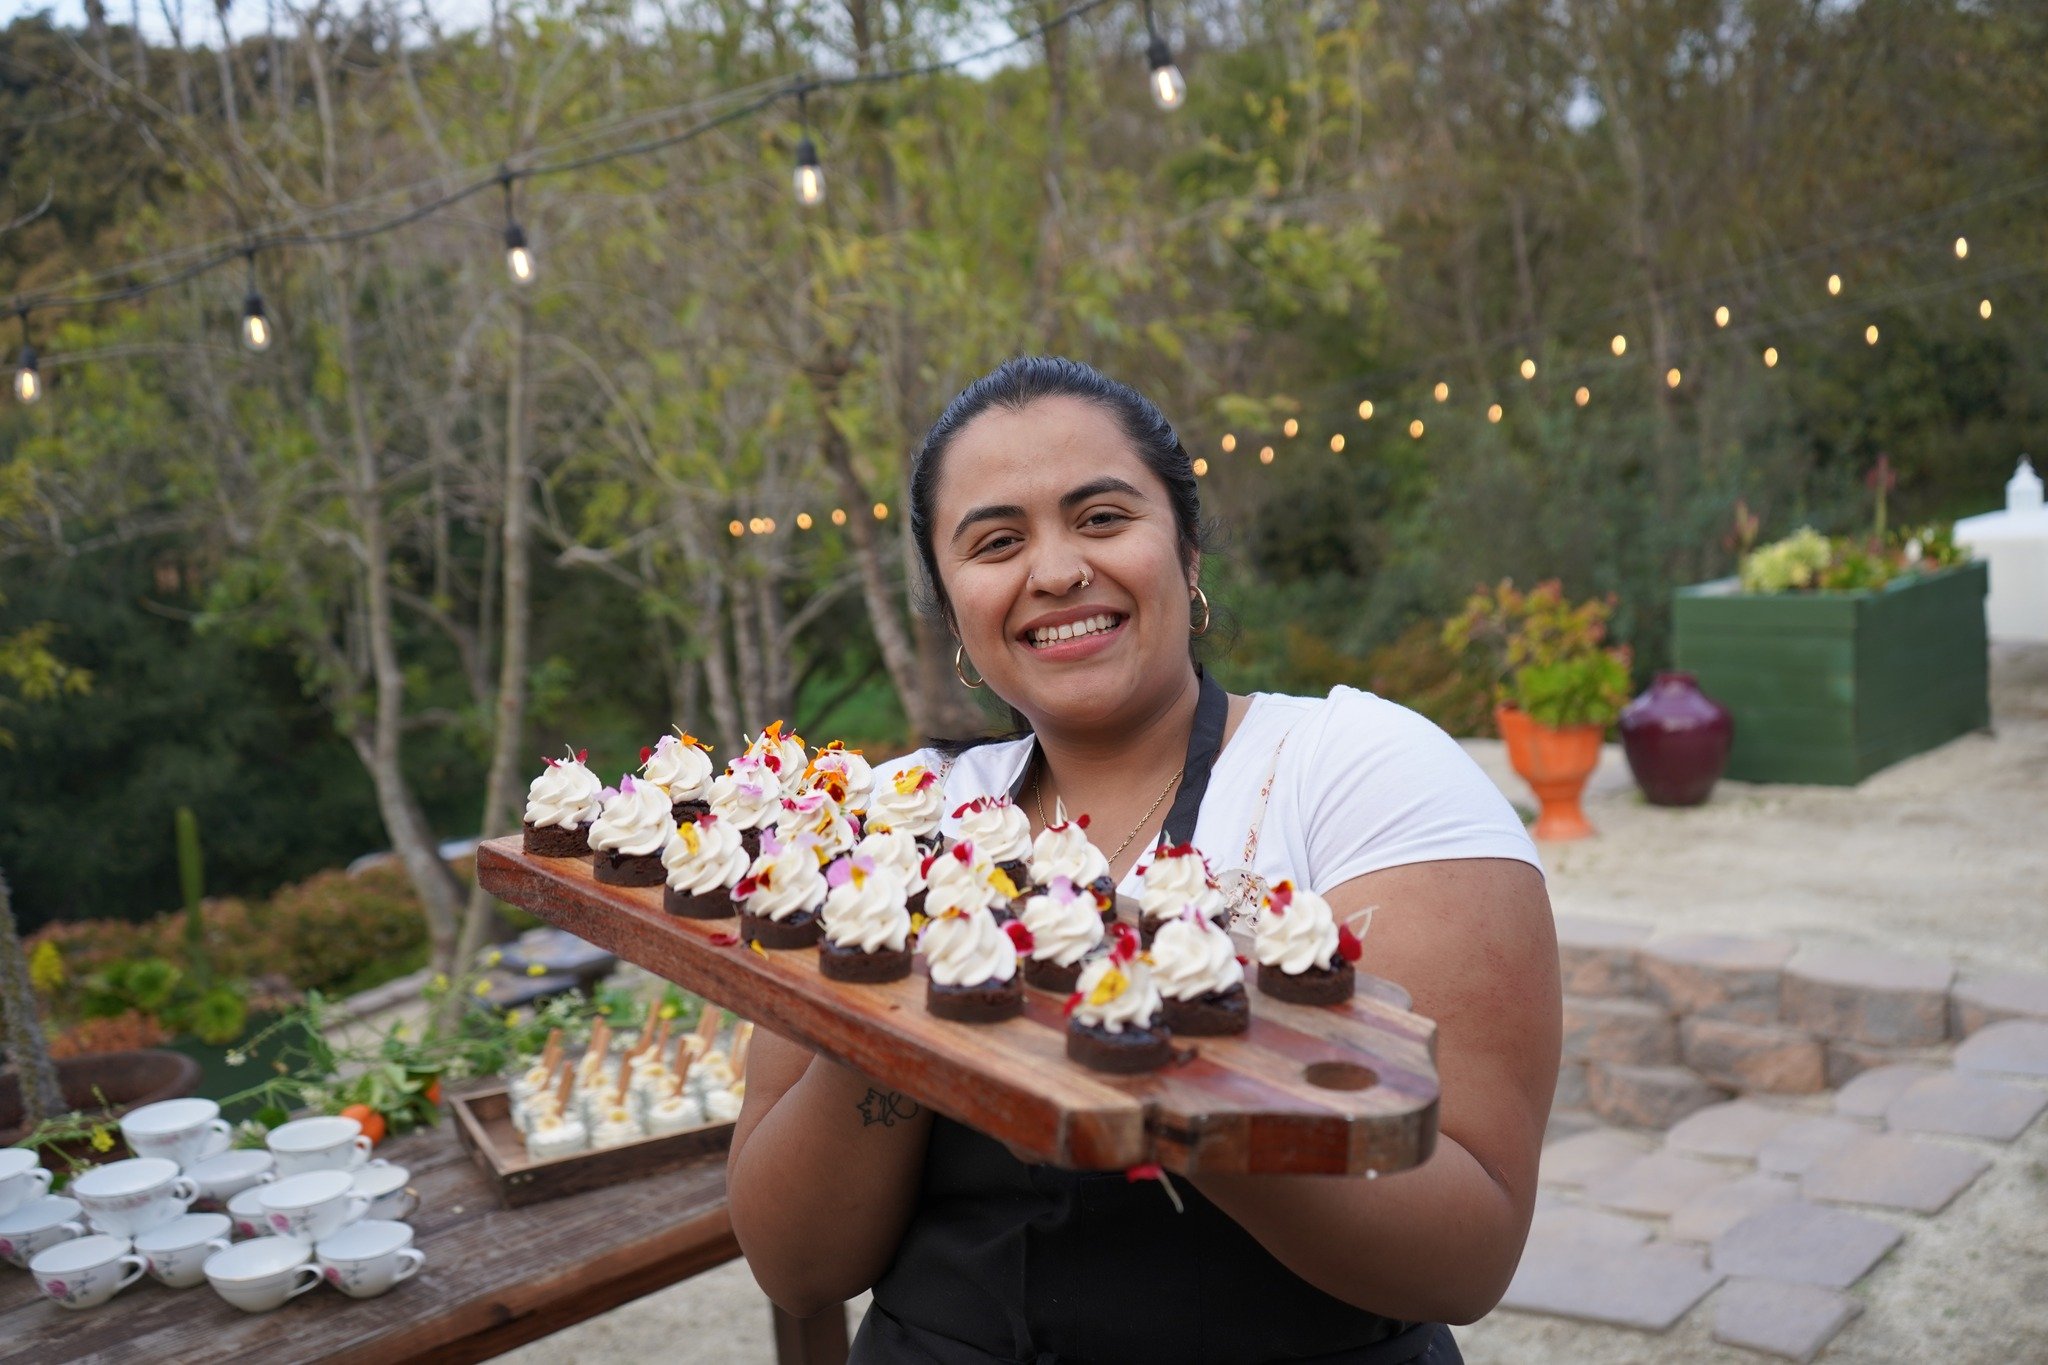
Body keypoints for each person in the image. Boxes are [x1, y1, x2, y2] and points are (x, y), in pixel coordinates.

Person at [728, 357, 1561, 1364]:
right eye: (995, 542)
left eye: (1102, 517)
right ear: (951, 611)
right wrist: (905, 1002)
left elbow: (1461, 1255)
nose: (1055, 571)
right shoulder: (893, 823)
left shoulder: (1355, 771)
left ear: (1188, 549)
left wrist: (1152, 1071)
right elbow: (798, 1266)